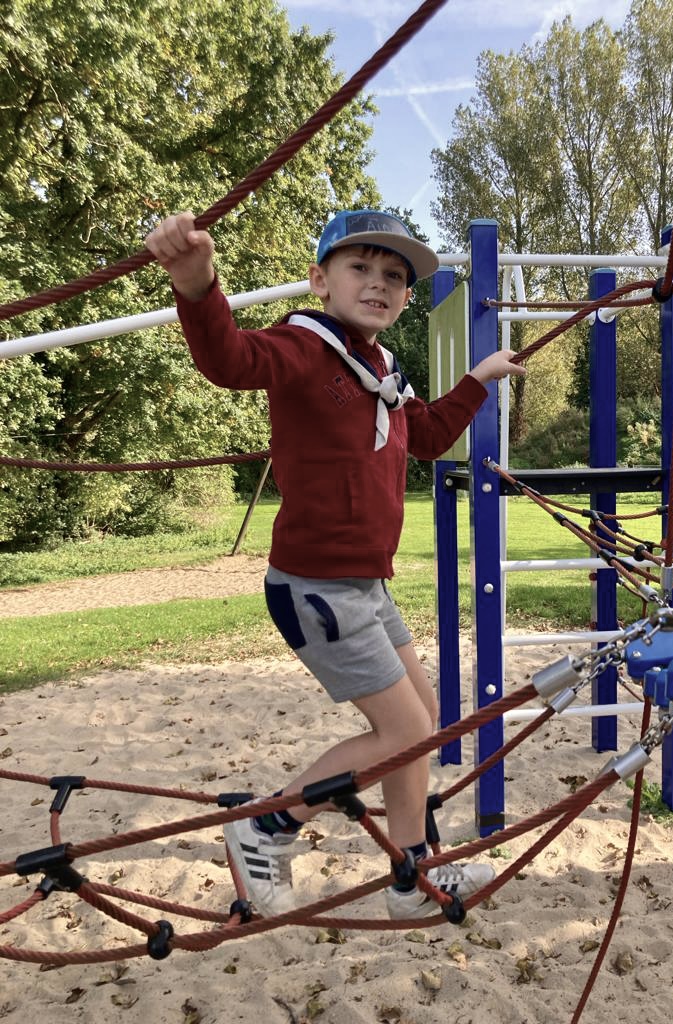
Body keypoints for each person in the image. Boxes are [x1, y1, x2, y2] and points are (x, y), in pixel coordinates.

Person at [145, 208, 527, 920]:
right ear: (320, 281)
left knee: (425, 721)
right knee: (403, 731)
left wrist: (478, 379)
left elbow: (427, 436)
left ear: (406, 297)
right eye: (360, 268)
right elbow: (231, 360)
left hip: (366, 585)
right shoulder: (304, 346)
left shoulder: (380, 368)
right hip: (317, 586)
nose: (378, 284)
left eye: (395, 276)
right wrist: (197, 286)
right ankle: (266, 827)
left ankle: (411, 876)